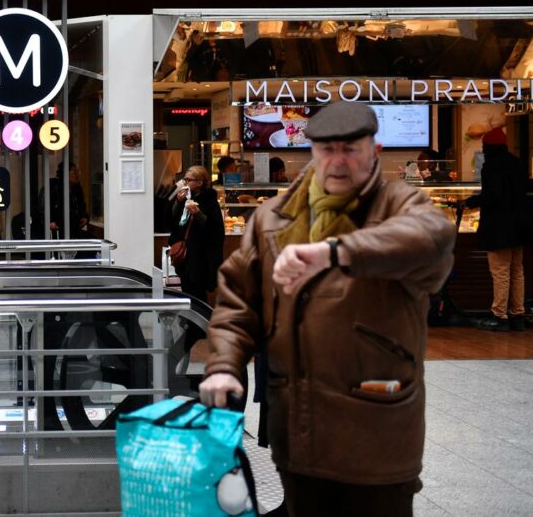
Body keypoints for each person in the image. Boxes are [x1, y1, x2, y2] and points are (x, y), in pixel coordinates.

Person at [199, 102, 455, 516]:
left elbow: (432, 238)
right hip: (297, 431)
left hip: (379, 436)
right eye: (327, 150)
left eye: (350, 149)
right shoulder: (273, 218)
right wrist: (224, 365)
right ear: (312, 152)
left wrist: (335, 252)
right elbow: (238, 303)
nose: (338, 161)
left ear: (375, 149)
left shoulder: (400, 204)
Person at [468, 128, 526, 331]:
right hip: (519, 227)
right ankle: (517, 314)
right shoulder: (517, 163)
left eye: (484, 146)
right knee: (517, 271)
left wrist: (471, 201)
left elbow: (493, 196)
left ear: (489, 147)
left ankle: (499, 315)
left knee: (500, 272)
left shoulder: (491, 166)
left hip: (499, 228)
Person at [169, 165, 224, 302]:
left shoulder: (210, 200)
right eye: (185, 179)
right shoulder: (186, 198)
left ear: (200, 182)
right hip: (186, 256)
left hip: (201, 257)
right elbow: (171, 221)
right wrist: (177, 202)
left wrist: (198, 214)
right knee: (187, 290)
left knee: (198, 294)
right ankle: (190, 322)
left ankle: (198, 321)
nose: (185, 183)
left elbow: (216, 230)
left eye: (189, 180)